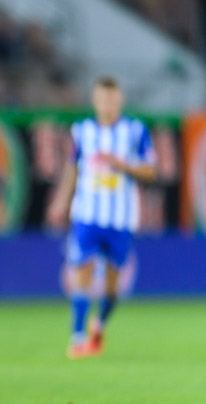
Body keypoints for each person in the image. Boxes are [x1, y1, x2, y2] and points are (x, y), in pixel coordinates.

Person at [48, 76, 156, 359]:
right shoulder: (82, 131)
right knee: (81, 270)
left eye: (112, 98)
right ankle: (77, 337)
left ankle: (100, 323)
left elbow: (150, 171)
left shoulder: (135, 131)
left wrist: (122, 164)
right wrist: (61, 200)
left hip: (121, 219)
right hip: (87, 214)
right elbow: (73, 167)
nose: (107, 104)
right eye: (103, 98)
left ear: (119, 100)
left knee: (112, 286)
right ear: (95, 100)